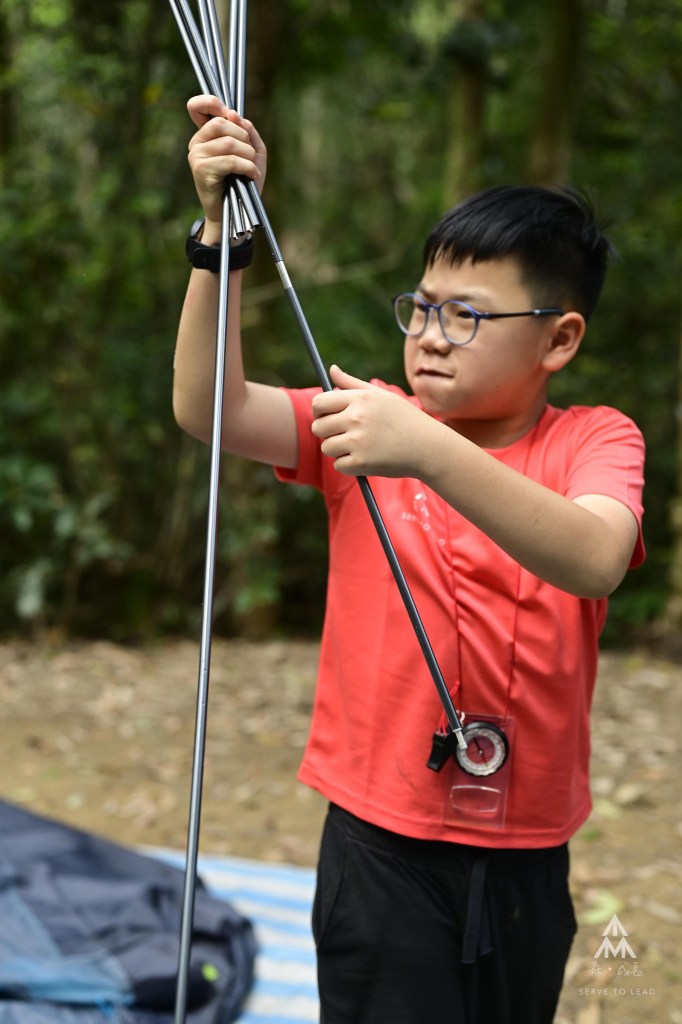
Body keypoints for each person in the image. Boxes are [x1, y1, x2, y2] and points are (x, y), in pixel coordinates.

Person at [173, 95, 645, 1024]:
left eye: (465, 316)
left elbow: (596, 556)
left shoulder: (593, 438)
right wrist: (219, 235)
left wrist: (424, 447)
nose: (429, 335)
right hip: (379, 845)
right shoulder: (370, 423)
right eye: (422, 308)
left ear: (559, 338)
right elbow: (208, 406)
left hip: (527, 852)